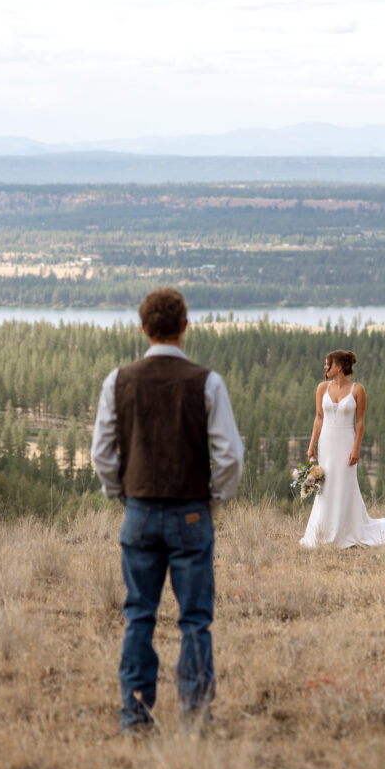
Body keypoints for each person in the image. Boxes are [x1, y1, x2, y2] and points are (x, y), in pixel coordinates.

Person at [91, 288, 243, 733]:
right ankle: (195, 716)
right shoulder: (207, 382)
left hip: (138, 510)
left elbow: (102, 454)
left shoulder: (118, 381)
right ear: (184, 326)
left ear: (143, 328)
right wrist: (213, 498)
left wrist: (122, 494)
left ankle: (136, 716)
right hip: (192, 513)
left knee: (139, 614)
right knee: (195, 618)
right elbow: (230, 455)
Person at [300, 349, 385, 549]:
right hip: (326, 442)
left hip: (346, 443)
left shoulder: (357, 390)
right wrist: (311, 446)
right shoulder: (321, 388)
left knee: (344, 485)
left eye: (329, 364)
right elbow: (318, 418)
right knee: (326, 486)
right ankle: (323, 531)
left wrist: (356, 449)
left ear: (340, 367)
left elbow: (360, 423)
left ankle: (346, 531)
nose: (325, 367)